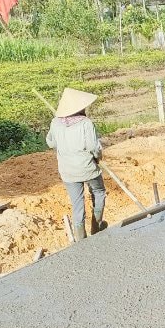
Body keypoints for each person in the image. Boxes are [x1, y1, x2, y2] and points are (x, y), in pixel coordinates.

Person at [46, 88, 107, 242]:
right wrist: (98, 157)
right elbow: (94, 147)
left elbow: (51, 143)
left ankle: (81, 239)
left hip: (67, 170)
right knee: (99, 192)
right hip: (87, 167)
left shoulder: (55, 122)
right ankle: (96, 226)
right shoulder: (86, 123)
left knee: (77, 204)